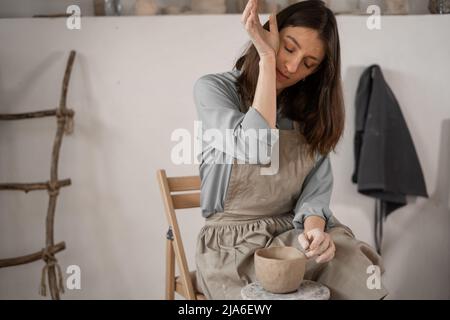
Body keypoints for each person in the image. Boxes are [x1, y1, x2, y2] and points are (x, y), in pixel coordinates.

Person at [193, 0, 388, 300]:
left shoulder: (308, 113)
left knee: (351, 261)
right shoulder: (214, 91)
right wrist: (267, 58)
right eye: (288, 47)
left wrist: (314, 231)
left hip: (290, 237)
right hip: (232, 247)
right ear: (271, 34)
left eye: (309, 63)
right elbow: (254, 148)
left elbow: (315, 193)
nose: (293, 66)